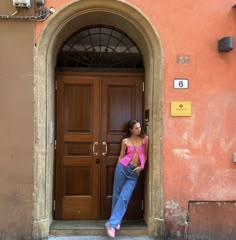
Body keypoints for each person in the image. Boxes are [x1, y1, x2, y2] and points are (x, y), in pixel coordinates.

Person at [105, 119, 149, 238]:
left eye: (139, 127)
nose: (139, 130)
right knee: (117, 195)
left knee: (124, 197)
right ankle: (115, 223)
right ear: (130, 129)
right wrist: (118, 167)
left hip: (134, 173)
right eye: (136, 128)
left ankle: (111, 223)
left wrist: (142, 167)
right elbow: (120, 157)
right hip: (122, 168)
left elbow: (145, 155)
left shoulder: (145, 139)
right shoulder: (125, 141)